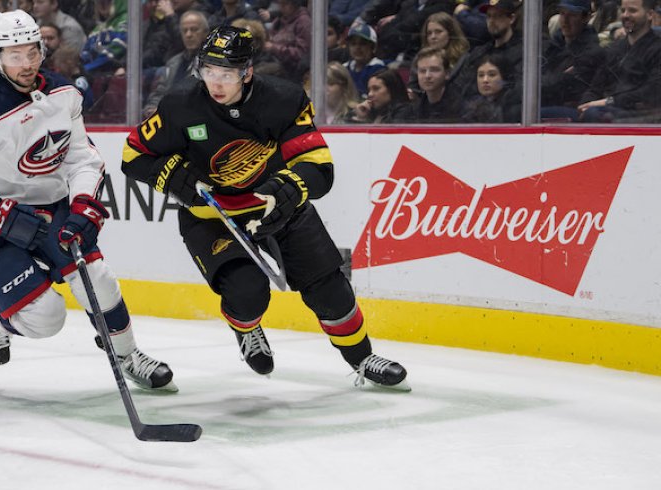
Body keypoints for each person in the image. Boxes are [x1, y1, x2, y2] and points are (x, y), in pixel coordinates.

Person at [121, 26, 409, 390]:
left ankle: (363, 359)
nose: (216, 83)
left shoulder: (283, 99)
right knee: (246, 292)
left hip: (278, 209)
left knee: (330, 291)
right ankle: (246, 329)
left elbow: (318, 165)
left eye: (226, 74)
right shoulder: (180, 105)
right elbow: (133, 156)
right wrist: (172, 174)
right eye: (209, 71)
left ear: (247, 72)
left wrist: (290, 185)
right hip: (214, 218)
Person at [0, 10, 175, 391]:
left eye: (31, 52)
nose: (25, 64)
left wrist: (82, 205)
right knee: (46, 319)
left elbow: (81, 157)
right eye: (13, 55)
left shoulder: (64, 93)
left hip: (48, 209)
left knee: (100, 280)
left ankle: (127, 355)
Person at [577, 0, 661, 123]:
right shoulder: (614, 49)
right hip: (603, 110)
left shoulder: (657, 49)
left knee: (593, 113)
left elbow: (651, 91)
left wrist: (608, 102)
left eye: (632, 10)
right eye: (623, 10)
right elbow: (595, 87)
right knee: (548, 113)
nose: (625, 15)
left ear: (649, 15)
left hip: (637, 116)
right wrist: (584, 105)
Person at [540, 0, 606, 121]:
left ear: (585, 18)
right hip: (548, 101)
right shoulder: (552, 47)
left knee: (527, 113)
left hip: (573, 110)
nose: (565, 21)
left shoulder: (592, 53)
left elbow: (562, 88)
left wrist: (549, 80)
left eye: (572, 15)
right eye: (562, 13)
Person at [412, 46, 462, 122]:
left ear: (447, 73)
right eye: (422, 71)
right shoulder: (415, 108)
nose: (427, 76)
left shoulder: (462, 107)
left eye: (434, 70)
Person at [343, 20, 386, 97]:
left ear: (373, 47)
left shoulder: (378, 69)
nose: (357, 48)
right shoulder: (344, 68)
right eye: (353, 44)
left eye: (363, 44)